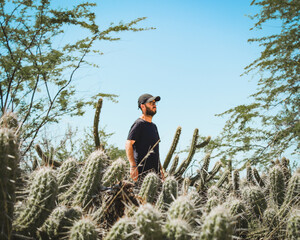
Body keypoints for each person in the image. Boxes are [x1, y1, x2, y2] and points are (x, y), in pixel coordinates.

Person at [125, 93, 164, 182]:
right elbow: (128, 144)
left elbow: (156, 150)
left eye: (155, 103)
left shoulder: (154, 126)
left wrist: (161, 170)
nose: (154, 105)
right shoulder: (139, 124)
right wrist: (133, 166)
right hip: (141, 174)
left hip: (155, 175)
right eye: (151, 103)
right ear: (143, 106)